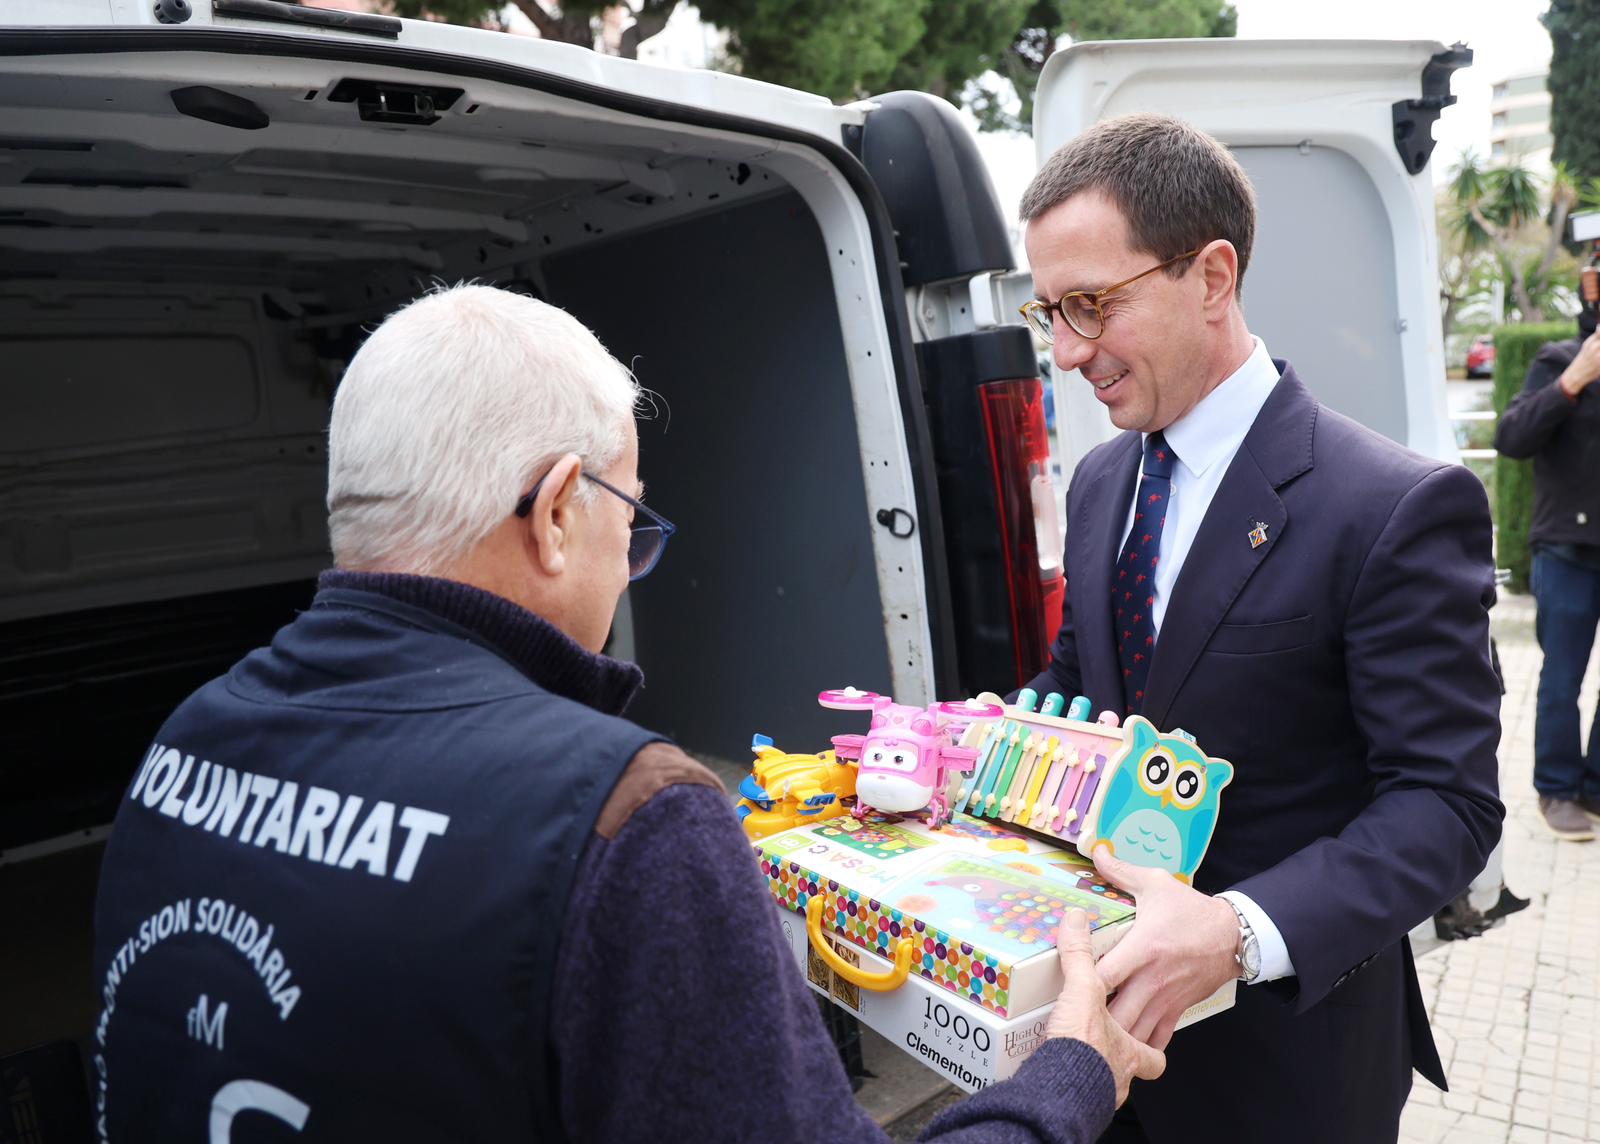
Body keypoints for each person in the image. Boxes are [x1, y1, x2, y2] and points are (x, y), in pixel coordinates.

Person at [90, 284, 1162, 1142]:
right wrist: (1062, 1082)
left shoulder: (186, 739)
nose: (631, 565)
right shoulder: (626, 815)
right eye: (630, 517)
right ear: (559, 509)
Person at [1014, 115, 1503, 1144]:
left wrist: (1235, 934)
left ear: (1211, 276)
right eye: (1049, 312)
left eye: (1092, 305)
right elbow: (1084, 690)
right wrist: (987, 758)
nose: (1066, 352)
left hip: (1288, 1068)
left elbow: (1446, 804)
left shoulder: (1392, 505)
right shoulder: (1104, 479)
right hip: (1099, 1049)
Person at [1492, 315, 1600, 841]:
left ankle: (1596, 789)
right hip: (1566, 549)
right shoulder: (1560, 359)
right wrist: (1571, 381)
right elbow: (1512, 437)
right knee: (1563, 677)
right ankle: (1556, 789)